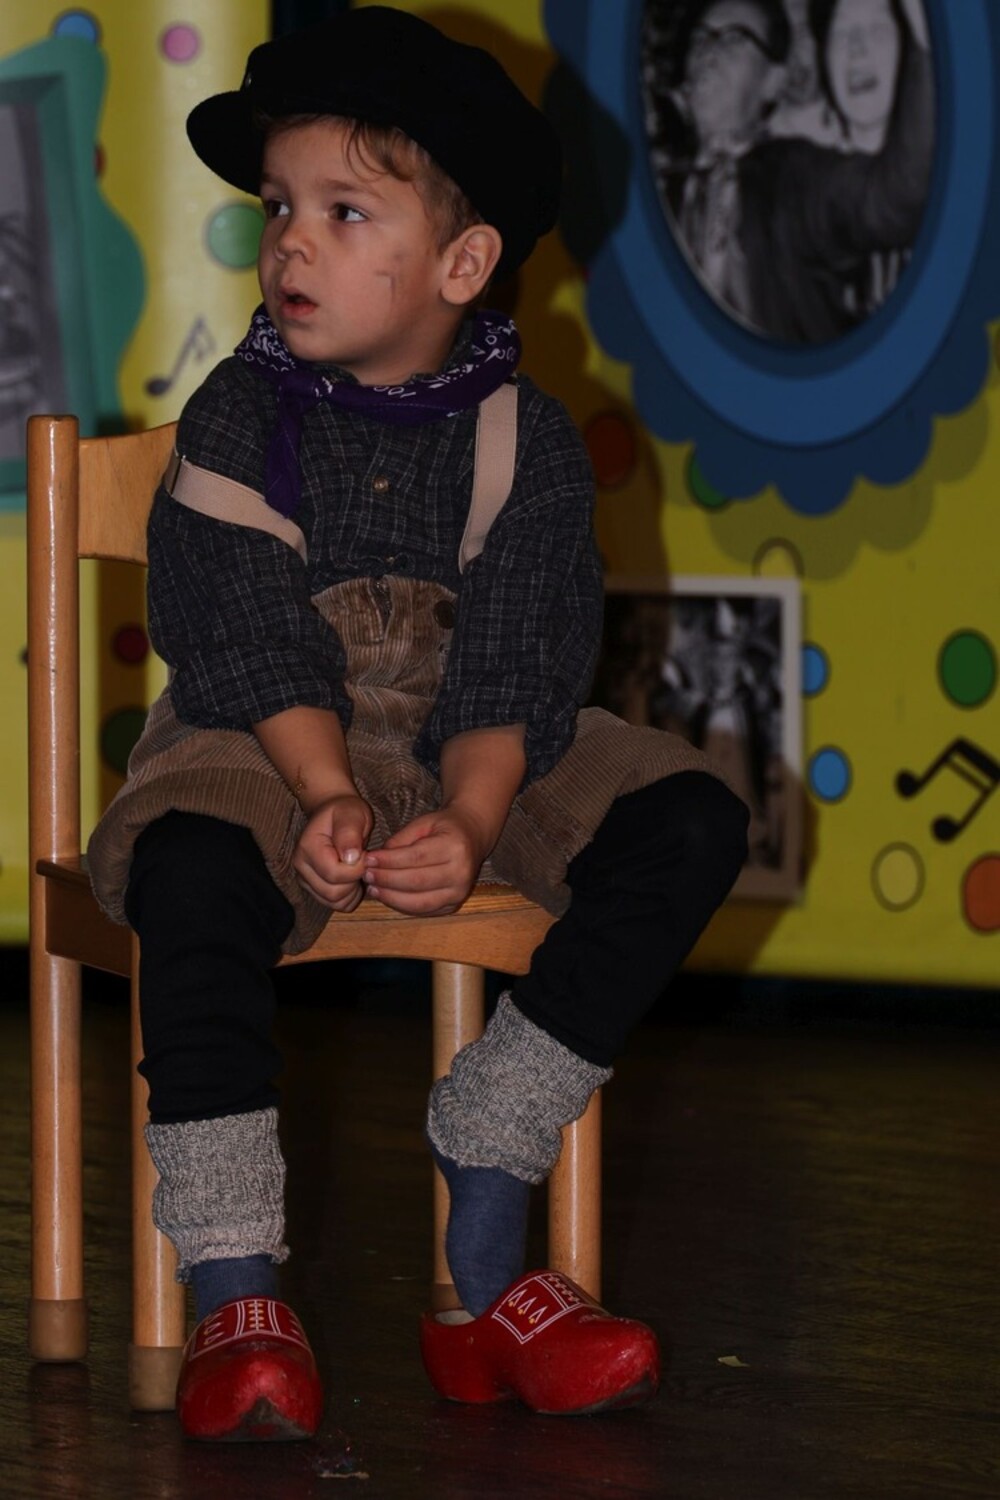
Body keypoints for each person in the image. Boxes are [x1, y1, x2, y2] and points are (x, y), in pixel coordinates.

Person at [88, 5, 749, 1442]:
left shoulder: (528, 441)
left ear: (461, 264)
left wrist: (473, 815)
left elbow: (517, 661)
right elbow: (241, 632)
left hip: (472, 743)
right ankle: (234, 1286)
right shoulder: (238, 414)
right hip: (265, 738)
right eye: (280, 207)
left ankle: (491, 1162)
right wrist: (324, 787)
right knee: (189, 870)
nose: (291, 243)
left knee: (691, 820)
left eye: (343, 211)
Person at [642, 0, 933, 342]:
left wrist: (926, 37)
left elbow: (895, 198)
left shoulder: (794, 177)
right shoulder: (655, 188)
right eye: (700, 38)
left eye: (734, 38)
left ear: (773, 81)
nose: (709, 51)